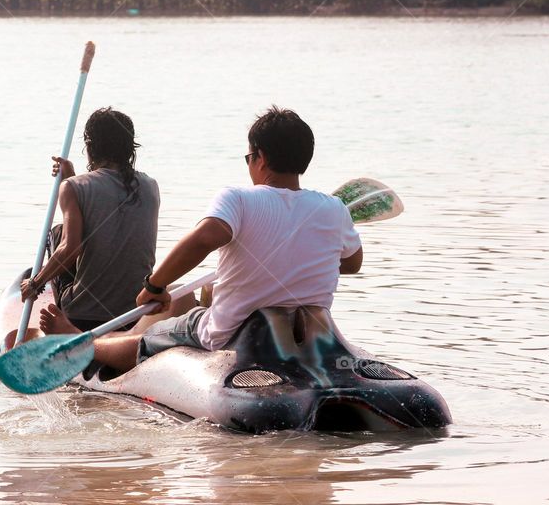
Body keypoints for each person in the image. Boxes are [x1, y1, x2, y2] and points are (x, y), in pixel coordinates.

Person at [89, 106, 363, 373]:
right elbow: (352, 263)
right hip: (307, 335)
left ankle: (86, 348)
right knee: (205, 296)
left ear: (261, 158)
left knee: (153, 334)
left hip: (225, 333)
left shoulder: (238, 198)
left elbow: (204, 239)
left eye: (249, 157)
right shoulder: (334, 208)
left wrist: (154, 285)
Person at [19, 107, 160, 332]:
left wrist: (35, 283)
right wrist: (72, 177)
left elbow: (70, 248)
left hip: (84, 316)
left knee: (58, 232)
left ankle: (64, 322)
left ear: (89, 145)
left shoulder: (74, 188)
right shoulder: (151, 186)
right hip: (135, 312)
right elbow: (106, 209)